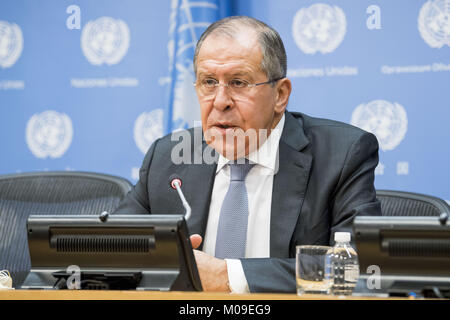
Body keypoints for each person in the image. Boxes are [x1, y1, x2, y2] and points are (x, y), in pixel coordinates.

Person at [113, 16, 381, 293]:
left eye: (238, 83)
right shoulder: (167, 157)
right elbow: (111, 255)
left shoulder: (343, 153)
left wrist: (228, 276)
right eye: (208, 82)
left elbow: (361, 268)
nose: (220, 101)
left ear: (280, 95)